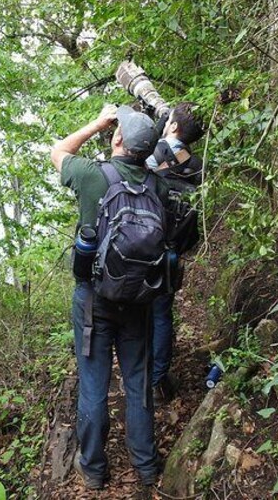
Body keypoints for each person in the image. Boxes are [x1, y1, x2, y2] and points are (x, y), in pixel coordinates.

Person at [51, 103, 170, 490]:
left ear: (117, 138)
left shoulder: (91, 175)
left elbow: (58, 151)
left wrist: (97, 122)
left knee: (93, 383)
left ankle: (95, 470)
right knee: (136, 383)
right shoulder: (159, 186)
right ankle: (147, 466)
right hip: (140, 300)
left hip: (94, 300)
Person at [145, 102, 205, 404]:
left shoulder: (156, 153)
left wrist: (158, 125)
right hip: (172, 253)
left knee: (140, 313)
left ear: (172, 126)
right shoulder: (196, 166)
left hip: (143, 246)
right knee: (162, 314)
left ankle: (141, 375)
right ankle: (158, 378)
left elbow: (135, 162)